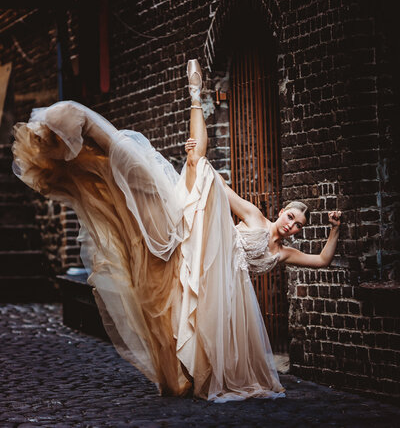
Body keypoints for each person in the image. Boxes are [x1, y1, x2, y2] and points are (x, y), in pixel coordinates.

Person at [12, 59, 340, 403]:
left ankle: (185, 375)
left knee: (175, 316)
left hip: (222, 290)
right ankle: (190, 96)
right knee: (173, 169)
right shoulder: (257, 218)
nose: (291, 226)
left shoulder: (282, 253)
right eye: (291, 217)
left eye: (298, 226)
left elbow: (320, 260)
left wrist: (333, 230)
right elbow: (225, 193)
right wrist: (201, 175)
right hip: (203, 246)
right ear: (281, 212)